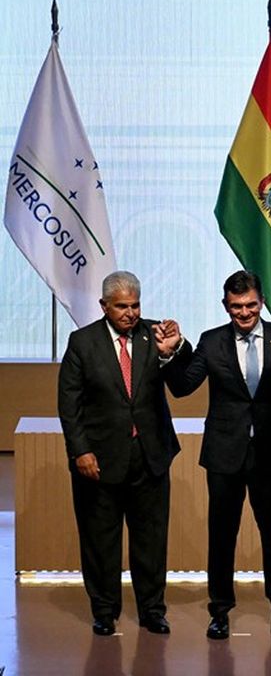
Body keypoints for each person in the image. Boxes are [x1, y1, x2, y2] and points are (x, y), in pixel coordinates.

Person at [164, 270, 271, 639]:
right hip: (224, 454)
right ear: (225, 306)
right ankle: (219, 611)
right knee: (221, 535)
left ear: (262, 302)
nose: (244, 312)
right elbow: (182, 387)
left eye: (250, 305)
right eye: (236, 306)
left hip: (270, 454)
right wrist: (170, 355)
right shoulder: (211, 341)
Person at [57, 270, 185, 636]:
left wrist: (174, 350)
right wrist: (80, 451)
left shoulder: (155, 334)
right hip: (99, 460)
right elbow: (69, 404)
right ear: (104, 306)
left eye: (135, 305)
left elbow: (182, 382)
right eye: (122, 307)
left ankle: (152, 611)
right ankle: (104, 610)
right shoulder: (82, 342)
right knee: (100, 540)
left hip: (150, 456)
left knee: (151, 540)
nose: (130, 313)